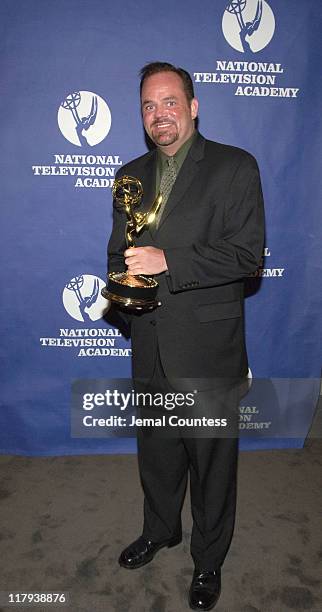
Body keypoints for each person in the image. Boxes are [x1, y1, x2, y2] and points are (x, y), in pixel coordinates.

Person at [107, 61, 265, 610]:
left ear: (193, 107)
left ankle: (208, 560)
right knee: (157, 454)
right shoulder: (130, 174)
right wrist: (125, 294)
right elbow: (118, 254)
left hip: (207, 348)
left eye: (170, 102)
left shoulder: (235, 167)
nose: (159, 114)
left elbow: (247, 256)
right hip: (149, 342)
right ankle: (160, 530)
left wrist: (168, 260)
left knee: (211, 465)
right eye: (149, 106)